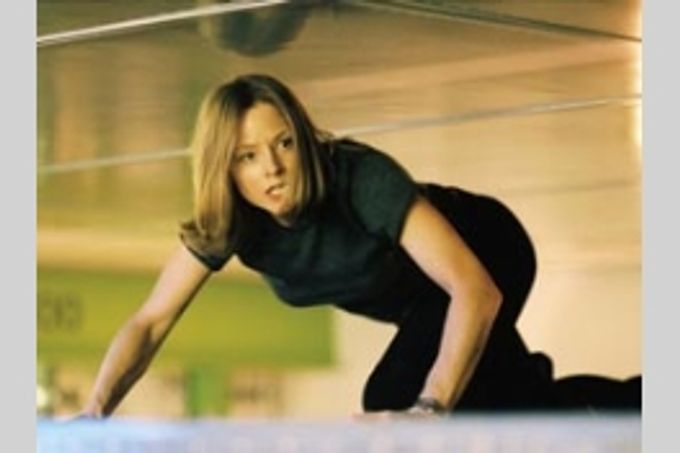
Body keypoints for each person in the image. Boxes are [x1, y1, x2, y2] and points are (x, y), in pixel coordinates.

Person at [79, 74, 640, 418]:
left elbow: (475, 289)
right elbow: (151, 322)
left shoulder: (359, 180)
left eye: (283, 144)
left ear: (303, 142)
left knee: (397, 400)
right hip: (423, 302)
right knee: (511, 399)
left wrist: (430, 408)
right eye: (247, 156)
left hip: (486, 253)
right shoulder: (230, 222)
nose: (272, 168)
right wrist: (94, 413)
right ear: (223, 168)